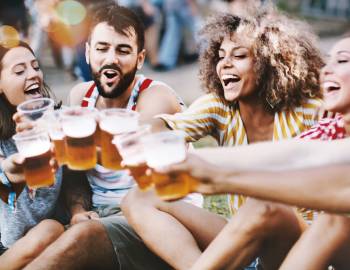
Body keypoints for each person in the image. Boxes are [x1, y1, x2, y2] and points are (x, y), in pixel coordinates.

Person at [122, 4, 326, 269]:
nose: (225, 64)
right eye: (220, 56)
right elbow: (168, 128)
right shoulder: (219, 107)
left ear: (270, 62)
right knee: (138, 198)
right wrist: (146, 135)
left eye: (239, 55)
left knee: (268, 205)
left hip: (301, 245)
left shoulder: (308, 109)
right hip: (246, 238)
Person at [21, 4, 201, 270]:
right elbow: (75, 173)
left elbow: (131, 141)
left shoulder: (157, 96)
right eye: (102, 48)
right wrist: (78, 210)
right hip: (100, 215)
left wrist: (68, 130)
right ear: (88, 52)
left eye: (123, 50)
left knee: (79, 239)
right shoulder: (80, 96)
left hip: (157, 219)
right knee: (43, 234)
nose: (111, 58)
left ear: (140, 59)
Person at [152, 35, 350, 269]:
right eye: (329, 61)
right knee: (275, 206)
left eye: (343, 60)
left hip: (310, 239)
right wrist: (193, 162)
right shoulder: (334, 126)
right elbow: (291, 156)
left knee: (335, 218)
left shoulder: (312, 108)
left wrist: (217, 177)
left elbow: (321, 167)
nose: (327, 70)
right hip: (291, 240)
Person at [0, 41, 65, 270]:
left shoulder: (58, 121)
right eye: (19, 71)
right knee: (51, 229)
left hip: (46, 235)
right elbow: (4, 171)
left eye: (36, 66)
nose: (33, 74)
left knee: (53, 229)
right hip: (6, 244)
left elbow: (77, 176)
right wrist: (12, 171)